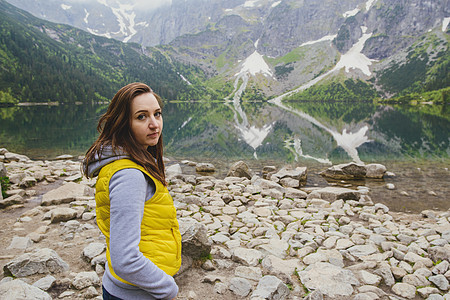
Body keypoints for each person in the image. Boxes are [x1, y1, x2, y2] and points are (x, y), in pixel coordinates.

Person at [83, 82, 181, 300]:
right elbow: (125, 258)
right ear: (123, 123)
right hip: (136, 294)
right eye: (141, 117)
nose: (154, 124)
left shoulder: (127, 163)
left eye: (157, 114)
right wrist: (168, 289)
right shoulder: (129, 175)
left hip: (127, 289)